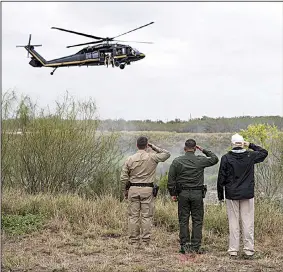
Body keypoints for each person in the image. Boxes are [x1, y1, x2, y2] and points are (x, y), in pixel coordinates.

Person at [217, 133, 268, 259]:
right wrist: (250, 145)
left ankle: (233, 250)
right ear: (242, 143)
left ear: (232, 143)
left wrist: (220, 196)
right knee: (248, 222)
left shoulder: (226, 158)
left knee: (233, 222)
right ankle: (249, 250)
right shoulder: (250, 155)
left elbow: (221, 178)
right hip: (247, 194)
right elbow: (264, 152)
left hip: (231, 194)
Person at [167, 139, 219, 254]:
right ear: (195, 149)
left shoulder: (177, 161)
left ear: (184, 149)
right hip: (197, 194)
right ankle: (195, 247)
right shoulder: (200, 160)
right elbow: (215, 159)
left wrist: (173, 194)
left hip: (183, 194)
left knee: (183, 220)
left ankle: (184, 246)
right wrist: (204, 150)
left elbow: (171, 180)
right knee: (197, 220)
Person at [120, 136, 170, 248]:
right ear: (147, 145)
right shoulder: (152, 157)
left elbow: (123, 178)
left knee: (133, 216)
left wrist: (125, 191)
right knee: (146, 217)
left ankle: (133, 242)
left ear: (136, 145)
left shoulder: (130, 159)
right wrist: (154, 147)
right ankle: (145, 242)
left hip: (133, 189)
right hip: (147, 189)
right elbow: (167, 154)